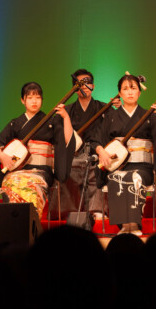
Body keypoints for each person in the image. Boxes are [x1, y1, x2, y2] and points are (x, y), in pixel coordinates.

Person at [94, 74, 156, 235]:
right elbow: (97, 139)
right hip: (117, 165)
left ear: (139, 92)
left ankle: (134, 223)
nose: (130, 92)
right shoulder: (111, 117)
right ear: (120, 94)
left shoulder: (149, 116)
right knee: (117, 177)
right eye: (125, 89)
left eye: (133, 88)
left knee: (134, 177)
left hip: (143, 166)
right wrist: (101, 151)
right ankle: (124, 225)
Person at [0, 82, 75, 217]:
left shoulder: (51, 122)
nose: (34, 101)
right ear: (22, 100)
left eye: (37, 97)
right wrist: (2, 156)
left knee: (31, 184)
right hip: (17, 170)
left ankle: (31, 221)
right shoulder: (15, 124)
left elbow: (68, 141)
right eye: (30, 98)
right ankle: (15, 221)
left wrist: (65, 117)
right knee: (10, 181)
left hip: (41, 171)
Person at [49, 69, 114, 219]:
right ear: (74, 88)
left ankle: (97, 211)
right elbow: (60, 138)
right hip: (74, 155)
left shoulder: (105, 108)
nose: (84, 86)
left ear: (93, 86)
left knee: (99, 170)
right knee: (67, 170)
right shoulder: (67, 110)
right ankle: (68, 213)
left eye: (88, 82)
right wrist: (65, 118)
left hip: (96, 154)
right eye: (80, 84)